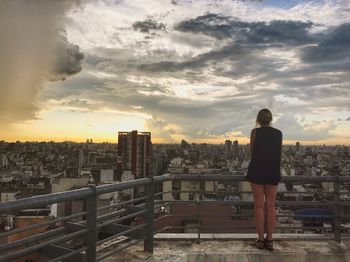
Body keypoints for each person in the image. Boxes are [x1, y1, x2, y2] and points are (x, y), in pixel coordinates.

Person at [245, 108, 282, 250]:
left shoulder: (255, 132)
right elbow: (278, 152)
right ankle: (270, 240)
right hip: (272, 169)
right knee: (271, 205)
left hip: (257, 169)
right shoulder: (278, 133)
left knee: (259, 205)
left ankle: (260, 240)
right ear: (271, 119)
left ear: (258, 120)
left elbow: (252, 152)